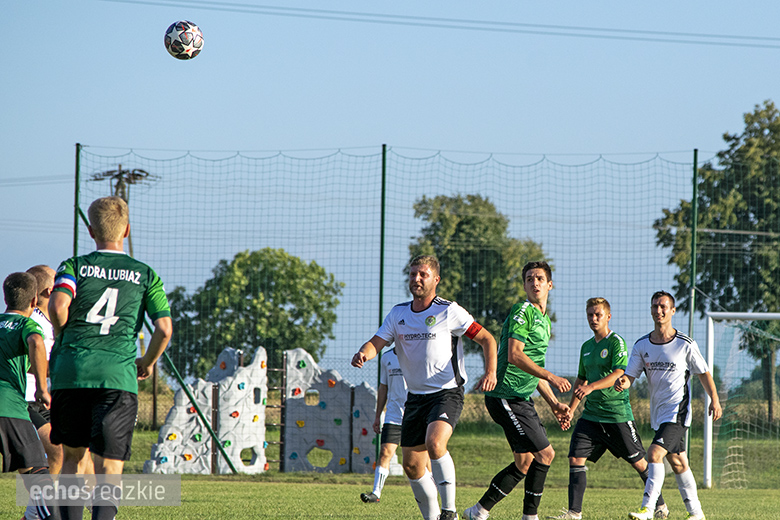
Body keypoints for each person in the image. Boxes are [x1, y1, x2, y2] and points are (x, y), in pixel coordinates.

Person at [48, 196, 173, 520]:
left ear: (91, 231)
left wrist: (64, 336)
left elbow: (58, 307)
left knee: (73, 460)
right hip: (117, 376)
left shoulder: (73, 266)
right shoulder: (145, 274)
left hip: (72, 373)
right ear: (127, 230)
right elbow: (164, 329)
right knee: (110, 467)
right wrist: (147, 361)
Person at [352, 255, 498, 520]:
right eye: (413, 274)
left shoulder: (448, 310)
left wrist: (490, 372)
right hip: (415, 397)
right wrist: (364, 352)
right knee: (411, 465)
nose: (416, 279)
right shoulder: (398, 314)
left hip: (446, 393)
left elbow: (487, 339)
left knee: (435, 442)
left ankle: (449, 511)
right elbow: (376, 342)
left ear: (436, 279)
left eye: (423, 274)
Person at [464, 261, 571, 520]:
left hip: (520, 398)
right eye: (530, 279)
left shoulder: (545, 321)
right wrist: (552, 376)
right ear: (524, 285)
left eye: (540, 278)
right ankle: (530, 517)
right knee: (545, 454)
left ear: (550, 285)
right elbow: (514, 355)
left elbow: (533, 369)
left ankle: (477, 511)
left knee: (525, 462)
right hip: (505, 396)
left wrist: (554, 404)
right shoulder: (523, 311)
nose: (535, 283)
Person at [547, 298, 668, 520]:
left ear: (608, 317)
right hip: (591, 416)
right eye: (590, 315)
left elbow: (619, 373)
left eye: (598, 315)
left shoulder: (616, 342)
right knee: (575, 458)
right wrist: (571, 410)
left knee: (639, 463)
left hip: (616, 415)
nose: (593, 319)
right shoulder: (586, 347)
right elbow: (581, 380)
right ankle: (574, 513)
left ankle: (659, 505)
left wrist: (591, 387)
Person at [614, 291, 722, 520]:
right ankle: (697, 513)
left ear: (672, 311)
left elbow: (704, 373)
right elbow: (630, 376)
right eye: (655, 306)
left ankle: (648, 509)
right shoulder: (642, 345)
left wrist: (714, 398)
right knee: (678, 461)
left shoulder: (685, 344)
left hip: (678, 412)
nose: (659, 310)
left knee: (654, 454)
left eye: (663, 306)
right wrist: (623, 382)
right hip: (658, 414)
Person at [0, 272, 60, 520]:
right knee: (39, 479)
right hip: (10, 409)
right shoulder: (27, 325)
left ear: (5, 297)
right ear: (34, 300)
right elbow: (36, 342)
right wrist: (43, 389)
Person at [360, 347, 408, 504]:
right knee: (385, 452)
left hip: (415, 414)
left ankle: (433, 492)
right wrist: (377, 416)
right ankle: (376, 493)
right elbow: (383, 387)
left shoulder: (416, 352)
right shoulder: (386, 357)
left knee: (422, 457)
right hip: (393, 415)